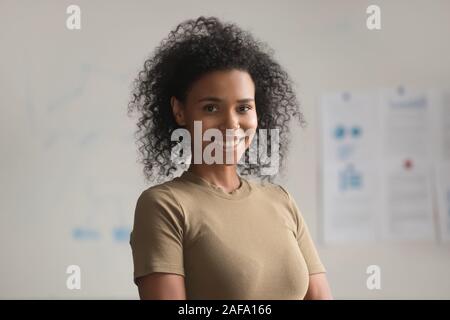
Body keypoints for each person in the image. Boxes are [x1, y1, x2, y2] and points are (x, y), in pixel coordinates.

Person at [127, 16, 332, 300]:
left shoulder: (281, 200)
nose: (232, 123)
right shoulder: (165, 206)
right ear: (180, 111)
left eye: (244, 108)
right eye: (211, 107)